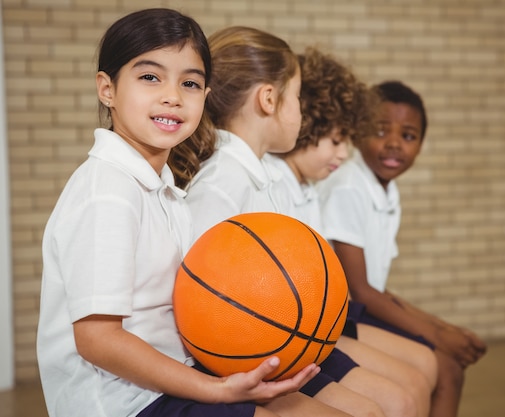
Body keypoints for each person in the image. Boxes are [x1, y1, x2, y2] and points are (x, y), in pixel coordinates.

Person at [36, 9, 349, 417]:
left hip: (173, 375)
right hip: (123, 403)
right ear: (106, 89)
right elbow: (97, 340)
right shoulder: (106, 190)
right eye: (150, 77)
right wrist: (216, 389)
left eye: (190, 83)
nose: (173, 95)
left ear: (206, 95)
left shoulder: (162, 187)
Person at [170, 26, 420, 417]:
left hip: (284, 340)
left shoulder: (256, 175)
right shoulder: (221, 183)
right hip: (250, 352)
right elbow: (203, 302)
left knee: (397, 400)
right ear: (269, 99)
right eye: (299, 97)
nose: (302, 112)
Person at [266, 47, 440, 416]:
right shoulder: (267, 183)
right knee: (403, 395)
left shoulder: (306, 188)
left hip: (319, 324)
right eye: (336, 140)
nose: (344, 154)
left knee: (424, 369)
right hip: (290, 336)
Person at [316, 80, 489, 417]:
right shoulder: (349, 186)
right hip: (341, 318)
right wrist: (438, 337)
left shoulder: (385, 191)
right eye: (381, 131)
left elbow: (378, 288)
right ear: (358, 133)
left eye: (408, 136)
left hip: (360, 309)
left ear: (421, 145)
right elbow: (361, 292)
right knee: (446, 367)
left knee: (448, 363)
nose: (394, 144)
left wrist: (443, 328)